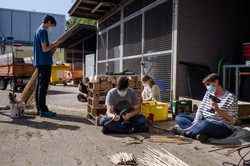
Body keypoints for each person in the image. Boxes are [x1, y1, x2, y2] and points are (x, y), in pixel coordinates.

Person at [170, 73, 238, 143]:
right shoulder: (208, 93)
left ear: (216, 82)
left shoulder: (230, 97)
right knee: (179, 117)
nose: (207, 87)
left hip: (222, 126)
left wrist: (218, 110)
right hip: (204, 120)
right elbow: (201, 108)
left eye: (208, 84)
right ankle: (202, 134)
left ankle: (185, 133)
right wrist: (196, 121)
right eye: (205, 85)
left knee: (204, 124)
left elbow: (232, 120)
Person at [33, 14, 58, 117]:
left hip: (39, 62)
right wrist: (53, 45)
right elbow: (45, 49)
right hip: (45, 63)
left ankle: (39, 108)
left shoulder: (36, 30)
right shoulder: (43, 31)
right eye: (52, 25)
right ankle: (43, 109)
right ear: (48, 22)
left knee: (39, 86)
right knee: (43, 87)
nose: (51, 27)